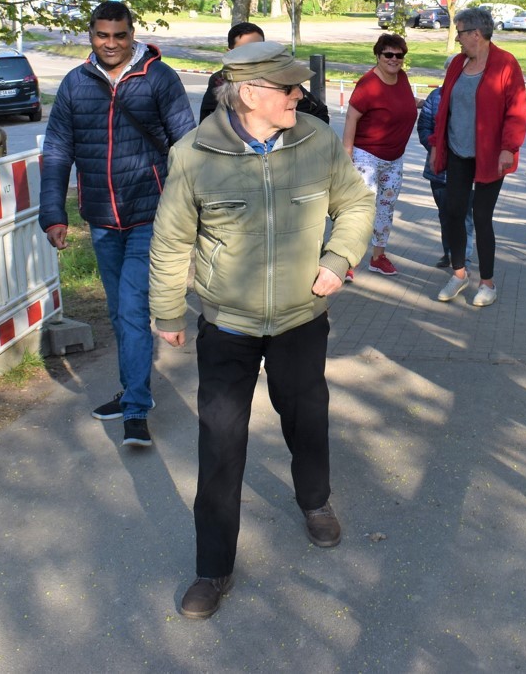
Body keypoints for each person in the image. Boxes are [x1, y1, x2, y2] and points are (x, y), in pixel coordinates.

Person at [149, 41, 374, 620]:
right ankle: (213, 567)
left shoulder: (315, 140)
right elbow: (171, 242)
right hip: (228, 325)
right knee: (221, 444)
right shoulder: (193, 155)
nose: (301, 95)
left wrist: (339, 259)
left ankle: (315, 501)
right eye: (289, 87)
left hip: (302, 318)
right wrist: (168, 312)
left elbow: (356, 205)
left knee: (307, 420)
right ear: (249, 93)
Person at [40, 0, 195, 449]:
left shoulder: (158, 79)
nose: (111, 44)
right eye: (102, 35)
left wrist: (191, 212)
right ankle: (131, 389)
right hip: (102, 218)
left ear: (132, 35)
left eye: (120, 35)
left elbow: (186, 147)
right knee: (118, 311)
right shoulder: (75, 84)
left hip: (151, 215)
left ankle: (136, 410)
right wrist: (53, 213)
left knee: (130, 308)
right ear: (91, 34)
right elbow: (57, 151)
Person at [428, 6, 526, 308]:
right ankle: (459, 274)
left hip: (490, 155)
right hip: (458, 151)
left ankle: (487, 283)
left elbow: (516, 110)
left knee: (482, 217)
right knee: (454, 212)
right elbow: (444, 108)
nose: (457, 38)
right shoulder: (457, 64)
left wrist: (508, 148)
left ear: (476, 34)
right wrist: (437, 145)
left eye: (459, 32)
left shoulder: (506, 64)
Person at [343, 33, 419, 277]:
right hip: (366, 156)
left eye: (399, 55)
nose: (394, 59)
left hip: (394, 158)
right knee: (361, 209)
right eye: (388, 54)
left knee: (386, 209)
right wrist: (347, 152)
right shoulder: (368, 84)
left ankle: (378, 258)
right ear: (378, 55)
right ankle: (346, 261)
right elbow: (351, 117)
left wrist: (425, 103)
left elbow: (403, 101)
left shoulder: (402, 77)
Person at [198, 22, 329, 123]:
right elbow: (209, 123)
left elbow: (317, 112)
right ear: (229, 52)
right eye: (245, 51)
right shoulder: (221, 80)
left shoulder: (280, 76)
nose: (254, 55)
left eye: (260, 49)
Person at [416, 82, 475, 270]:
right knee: (446, 215)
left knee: (465, 217)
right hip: (440, 172)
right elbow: (424, 127)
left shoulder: (476, 95)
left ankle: (463, 259)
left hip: (468, 172)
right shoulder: (436, 96)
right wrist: (436, 148)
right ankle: (449, 253)